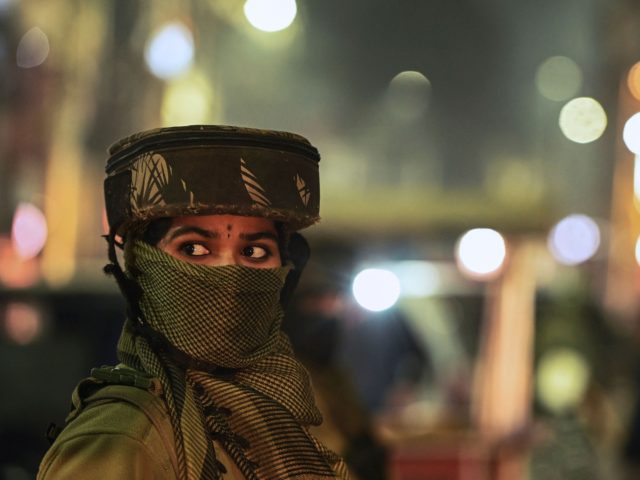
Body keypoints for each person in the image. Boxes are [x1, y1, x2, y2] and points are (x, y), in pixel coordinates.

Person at [38, 125, 350, 479]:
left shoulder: (284, 410)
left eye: (254, 251)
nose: (230, 275)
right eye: (194, 248)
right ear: (142, 265)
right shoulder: (123, 439)